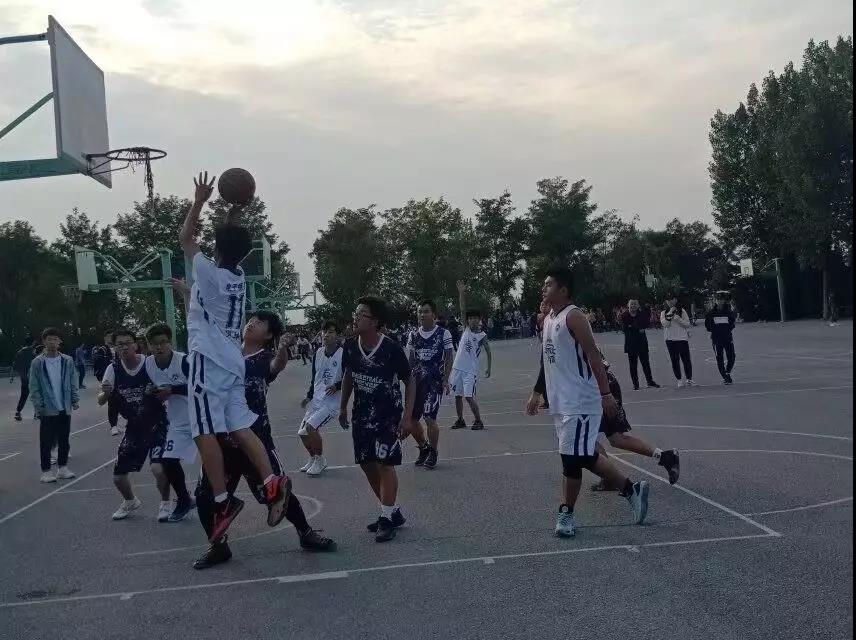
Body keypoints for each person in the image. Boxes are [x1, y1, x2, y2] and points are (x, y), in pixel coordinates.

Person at [179, 171, 290, 543]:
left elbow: (186, 238)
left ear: (217, 250)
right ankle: (271, 480)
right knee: (240, 426)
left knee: (203, 430)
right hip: (232, 362)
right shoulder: (237, 275)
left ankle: (223, 501)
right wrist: (235, 211)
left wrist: (199, 201)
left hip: (208, 361)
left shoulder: (208, 273)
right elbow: (225, 243)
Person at [193, 309, 337, 569]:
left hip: (255, 439)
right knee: (206, 496)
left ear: (269, 335)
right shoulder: (226, 353)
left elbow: (276, 367)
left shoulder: (264, 358)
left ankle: (305, 533)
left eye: (259, 323)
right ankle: (218, 546)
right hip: (221, 441)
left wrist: (282, 349)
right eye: (251, 320)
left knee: (278, 493)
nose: (251, 323)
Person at [526, 267, 649, 538]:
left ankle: (566, 514)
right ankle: (631, 489)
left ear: (563, 290)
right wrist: (537, 392)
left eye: (548, 285)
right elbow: (547, 360)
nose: (543, 289)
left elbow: (594, 356)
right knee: (581, 456)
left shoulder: (575, 316)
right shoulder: (548, 320)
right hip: (561, 401)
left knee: (571, 460)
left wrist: (605, 394)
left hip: (581, 400)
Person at [339, 296, 416, 543]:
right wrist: (342, 407)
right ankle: (391, 511)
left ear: (375, 321)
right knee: (367, 464)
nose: (355, 317)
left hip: (388, 416)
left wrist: (408, 417)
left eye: (361, 314)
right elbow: (348, 375)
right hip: (361, 415)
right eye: (355, 312)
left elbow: (410, 381)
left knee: (385, 464)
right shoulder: (350, 346)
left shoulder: (391, 348)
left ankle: (385, 518)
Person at [98, 329, 169, 520]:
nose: (124, 347)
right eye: (119, 344)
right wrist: (106, 393)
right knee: (118, 477)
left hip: (157, 423)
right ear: (114, 347)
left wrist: (160, 393)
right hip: (135, 427)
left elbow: (166, 391)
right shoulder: (113, 369)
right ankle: (130, 501)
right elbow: (100, 400)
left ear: (136, 345)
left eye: (128, 343)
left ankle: (166, 503)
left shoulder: (150, 363)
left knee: (158, 468)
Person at [591, 349, 680, 491]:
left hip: (599, 388)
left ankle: (609, 478)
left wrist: (605, 394)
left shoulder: (576, 338)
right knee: (615, 438)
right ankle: (665, 457)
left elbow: (597, 363)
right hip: (601, 386)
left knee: (585, 440)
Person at [143, 323, 197, 522]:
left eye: (164, 342)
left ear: (170, 342)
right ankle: (184, 500)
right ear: (149, 345)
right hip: (177, 422)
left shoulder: (184, 361)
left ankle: (219, 499)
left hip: (200, 418)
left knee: (214, 461)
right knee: (168, 460)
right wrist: (150, 392)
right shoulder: (148, 364)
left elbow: (200, 387)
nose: (160, 347)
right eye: (155, 343)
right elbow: (150, 388)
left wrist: (172, 390)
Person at [405, 299, 454, 469]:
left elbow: (449, 357)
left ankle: (433, 451)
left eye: (426, 311)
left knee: (429, 417)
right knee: (411, 419)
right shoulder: (413, 335)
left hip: (434, 382)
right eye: (420, 311)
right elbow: (410, 359)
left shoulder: (443, 333)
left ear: (433, 314)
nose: (422, 314)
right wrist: (406, 379)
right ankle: (424, 447)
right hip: (416, 382)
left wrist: (445, 379)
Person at [29, 328, 78, 483]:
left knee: (64, 439)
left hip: (64, 405)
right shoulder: (37, 362)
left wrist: (74, 399)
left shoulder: (67, 360)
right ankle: (46, 471)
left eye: (55, 339)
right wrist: (38, 406)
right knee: (46, 441)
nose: (52, 342)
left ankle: (62, 468)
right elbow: (34, 386)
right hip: (47, 408)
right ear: (44, 341)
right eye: (49, 339)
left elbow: (73, 380)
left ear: (59, 342)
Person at [299, 321, 343, 476]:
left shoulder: (343, 354)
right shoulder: (318, 353)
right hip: (316, 400)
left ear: (337, 335)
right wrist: (308, 396)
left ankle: (320, 460)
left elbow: (350, 377)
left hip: (331, 403)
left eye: (330, 332)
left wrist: (337, 385)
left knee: (311, 427)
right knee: (302, 433)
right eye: (324, 332)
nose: (326, 335)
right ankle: (313, 458)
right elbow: (315, 377)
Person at [449, 281, 492, 430]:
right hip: (457, 368)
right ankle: (460, 419)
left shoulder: (481, 335)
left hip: (469, 371)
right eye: (471, 318)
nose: (473, 320)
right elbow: (462, 310)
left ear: (479, 320)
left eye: (476, 318)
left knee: (468, 396)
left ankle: (478, 420)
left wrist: (489, 368)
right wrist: (461, 293)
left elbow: (488, 351)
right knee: (457, 395)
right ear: (467, 320)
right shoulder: (466, 329)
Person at [620, 300, 660, 390]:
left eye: (635, 304)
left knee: (646, 363)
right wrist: (637, 327)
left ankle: (650, 381)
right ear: (628, 306)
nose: (633, 305)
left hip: (642, 342)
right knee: (633, 365)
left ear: (638, 306)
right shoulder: (624, 315)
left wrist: (634, 326)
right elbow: (625, 328)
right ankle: (635, 384)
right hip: (631, 343)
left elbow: (646, 323)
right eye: (631, 304)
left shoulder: (642, 314)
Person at [660, 294, 694, 388]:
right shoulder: (663, 312)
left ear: (675, 300)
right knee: (674, 360)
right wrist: (671, 312)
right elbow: (665, 324)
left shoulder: (682, 311)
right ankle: (679, 380)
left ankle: (689, 379)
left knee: (686, 360)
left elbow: (687, 324)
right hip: (670, 340)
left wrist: (678, 319)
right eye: (668, 300)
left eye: (672, 299)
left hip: (682, 339)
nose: (670, 301)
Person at [705, 295, 737, 385]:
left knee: (732, 356)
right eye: (718, 300)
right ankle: (725, 377)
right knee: (719, 358)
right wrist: (715, 330)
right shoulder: (711, 313)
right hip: (716, 339)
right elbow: (708, 326)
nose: (720, 301)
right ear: (716, 301)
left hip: (727, 337)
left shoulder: (728, 312)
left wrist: (726, 330)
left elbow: (732, 323)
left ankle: (728, 372)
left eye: (721, 300)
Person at [13, 336, 36, 422]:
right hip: (32, 377)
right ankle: (37, 413)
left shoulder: (19, 352)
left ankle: (18, 412)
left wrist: (21, 373)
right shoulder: (32, 353)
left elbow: (15, 365)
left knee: (23, 395)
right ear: (32, 343)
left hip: (23, 377)